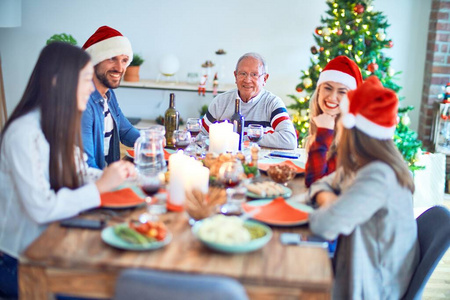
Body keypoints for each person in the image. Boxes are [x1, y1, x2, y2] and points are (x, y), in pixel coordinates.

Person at [0, 42, 136, 298]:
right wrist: (100, 187)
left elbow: (81, 171)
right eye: (85, 79)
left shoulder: (57, 124)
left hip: (54, 241)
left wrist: (120, 177)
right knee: (115, 288)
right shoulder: (23, 133)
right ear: (56, 82)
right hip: (22, 261)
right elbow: (42, 208)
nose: (90, 87)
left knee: (126, 274)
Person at [307, 76, 419, 299]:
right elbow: (321, 182)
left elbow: (323, 225)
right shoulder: (363, 163)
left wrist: (329, 203)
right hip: (360, 266)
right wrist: (330, 200)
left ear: (351, 129)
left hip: (372, 286)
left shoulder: (378, 176)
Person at [201, 52, 297, 150]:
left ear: (265, 79)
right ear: (235, 76)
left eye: (254, 75)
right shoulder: (220, 102)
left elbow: (289, 139)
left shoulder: (273, 103)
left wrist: (245, 138)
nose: (247, 80)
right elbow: (200, 136)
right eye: (243, 74)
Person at [81, 25, 140, 169]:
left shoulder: (108, 94)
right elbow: (87, 166)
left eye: (124, 60)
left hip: (106, 175)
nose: (120, 68)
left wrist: (150, 141)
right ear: (95, 60)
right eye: (112, 58)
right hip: (94, 182)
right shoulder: (83, 103)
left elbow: (124, 130)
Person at [304, 55, 363, 187]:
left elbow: (316, 183)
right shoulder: (326, 122)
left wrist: (324, 132)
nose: (332, 97)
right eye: (328, 88)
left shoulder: (354, 137)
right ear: (319, 91)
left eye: (342, 92)